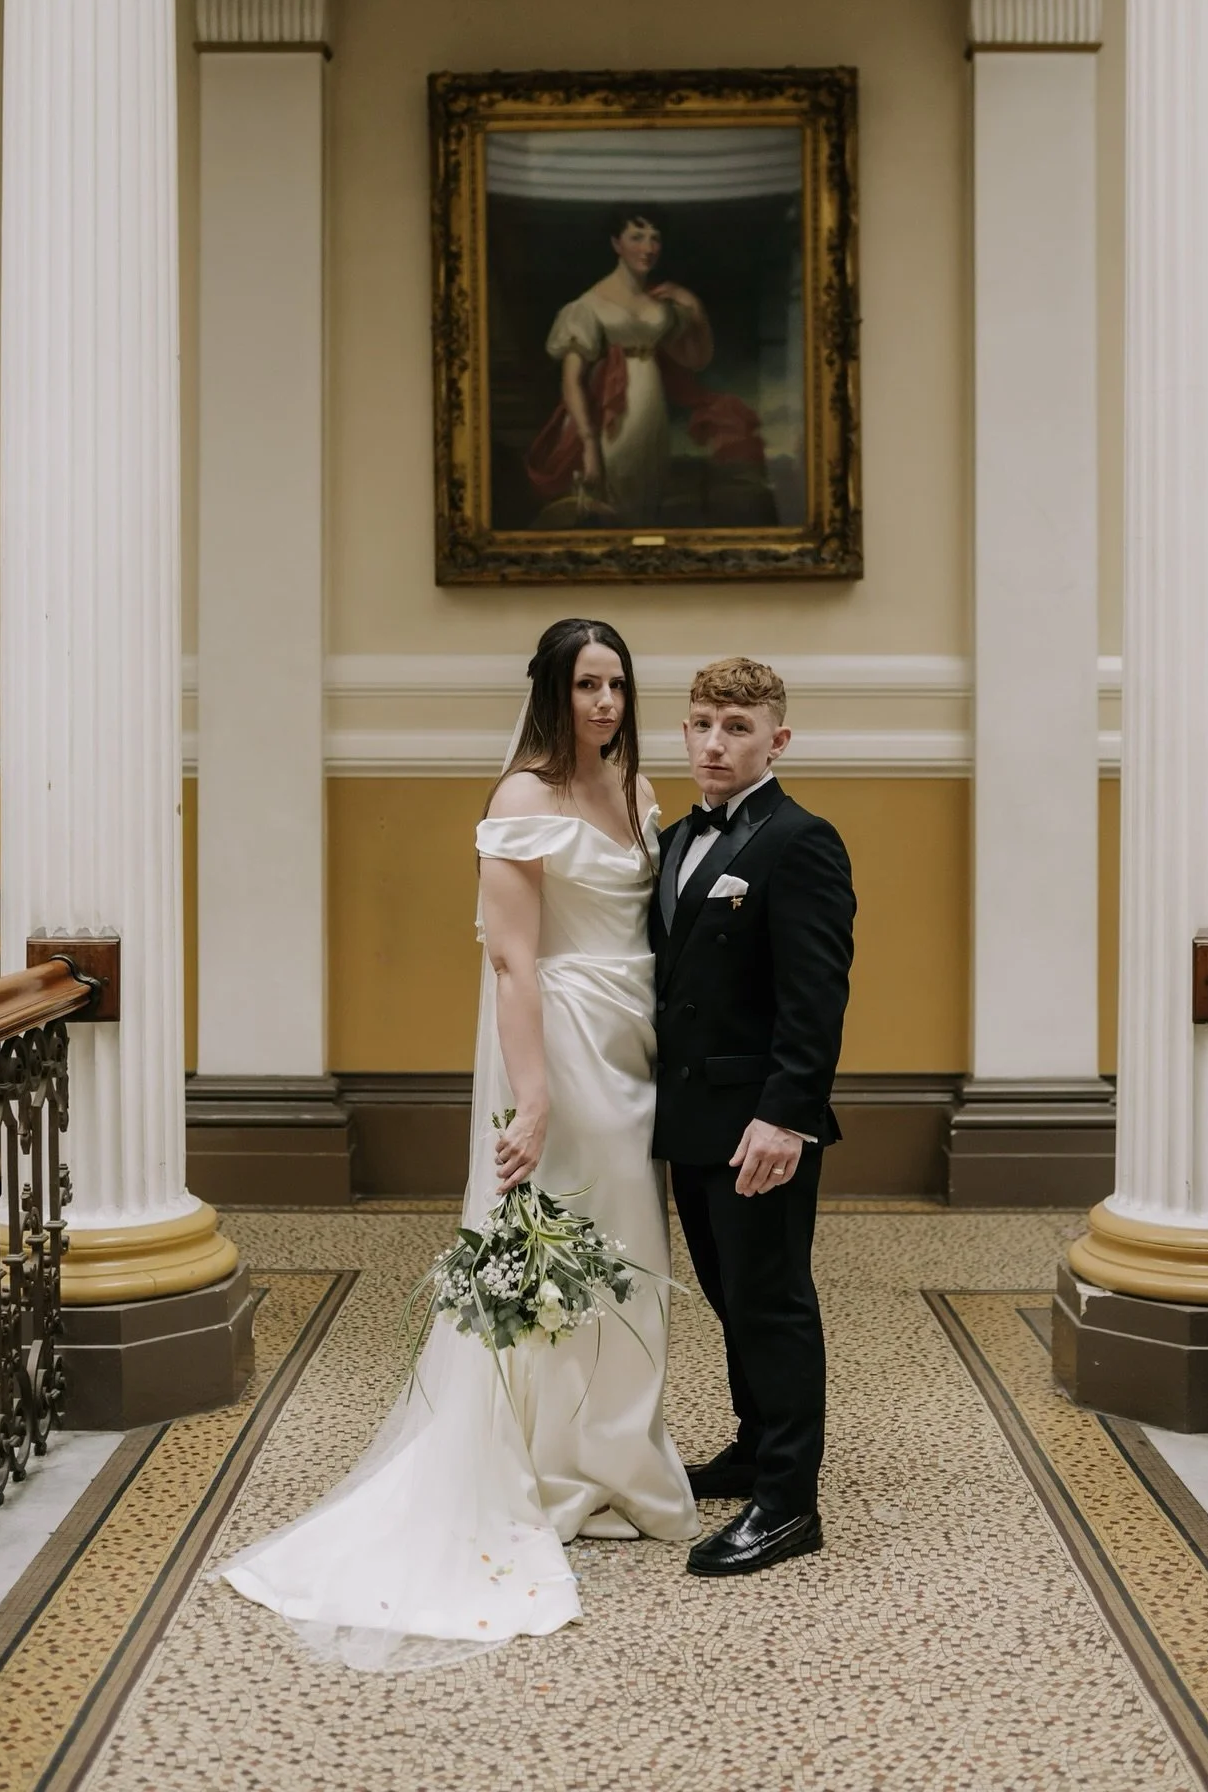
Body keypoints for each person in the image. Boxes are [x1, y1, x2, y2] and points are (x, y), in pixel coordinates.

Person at [220, 618, 697, 1671]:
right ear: (550, 692)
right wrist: (530, 1103)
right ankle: (555, 1470)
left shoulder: (636, 790)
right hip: (565, 1041)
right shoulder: (520, 802)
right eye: (587, 686)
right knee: (571, 1249)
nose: (607, 704)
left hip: (637, 1039)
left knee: (634, 1253)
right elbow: (514, 968)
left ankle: (619, 1458)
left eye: (617, 684)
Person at [650, 657, 855, 1578]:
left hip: (758, 1126)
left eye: (736, 727)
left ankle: (787, 1502)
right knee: (731, 1299)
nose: (713, 743)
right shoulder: (675, 838)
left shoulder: (800, 840)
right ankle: (750, 1444)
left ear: (777, 739)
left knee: (772, 1304)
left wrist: (786, 1117)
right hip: (691, 1118)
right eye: (700, 724)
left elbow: (815, 999)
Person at [525, 207, 765, 526]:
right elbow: (572, 381)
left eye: (655, 239)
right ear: (615, 244)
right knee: (613, 501)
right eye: (636, 237)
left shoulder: (661, 303)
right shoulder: (587, 305)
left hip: (652, 411)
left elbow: (696, 359)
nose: (648, 248)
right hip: (610, 417)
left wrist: (693, 305)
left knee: (648, 495)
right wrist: (589, 445)